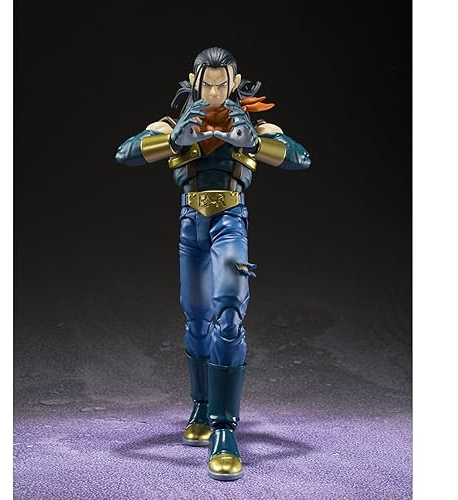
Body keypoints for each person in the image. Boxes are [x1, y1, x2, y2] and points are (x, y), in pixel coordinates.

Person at [115, 47, 311, 481]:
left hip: (230, 222)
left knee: (229, 317)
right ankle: (202, 407)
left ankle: (224, 429)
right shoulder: (171, 125)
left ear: (235, 83)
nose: (216, 92)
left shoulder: (255, 126)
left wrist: (253, 142)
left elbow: (301, 158)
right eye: (208, 84)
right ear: (195, 81)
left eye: (223, 84)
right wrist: (173, 140)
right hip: (191, 223)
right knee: (197, 320)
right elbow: (124, 153)